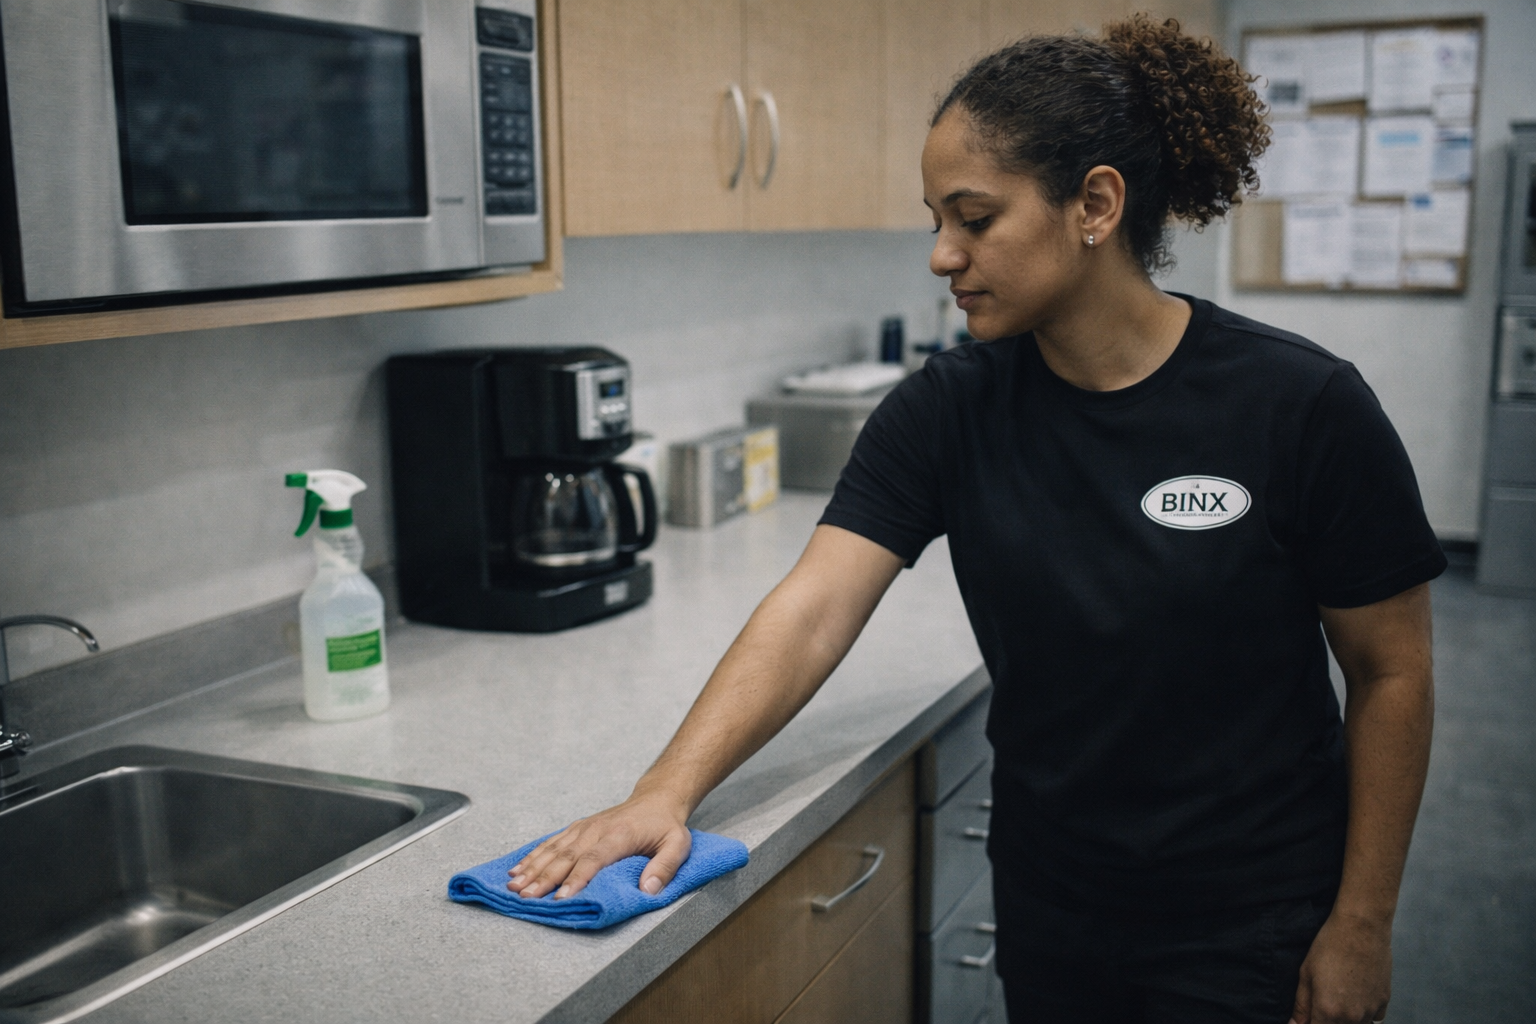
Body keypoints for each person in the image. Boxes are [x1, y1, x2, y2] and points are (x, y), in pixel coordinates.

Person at [505, 15, 1441, 1024]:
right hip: (1053, 900)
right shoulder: (950, 407)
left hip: (1250, 915)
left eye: (975, 218)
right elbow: (815, 605)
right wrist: (664, 791)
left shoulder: (1299, 406)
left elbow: (1392, 668)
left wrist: (1363, 920)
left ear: (1095, 203)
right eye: (935, 218)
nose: (942, 254)